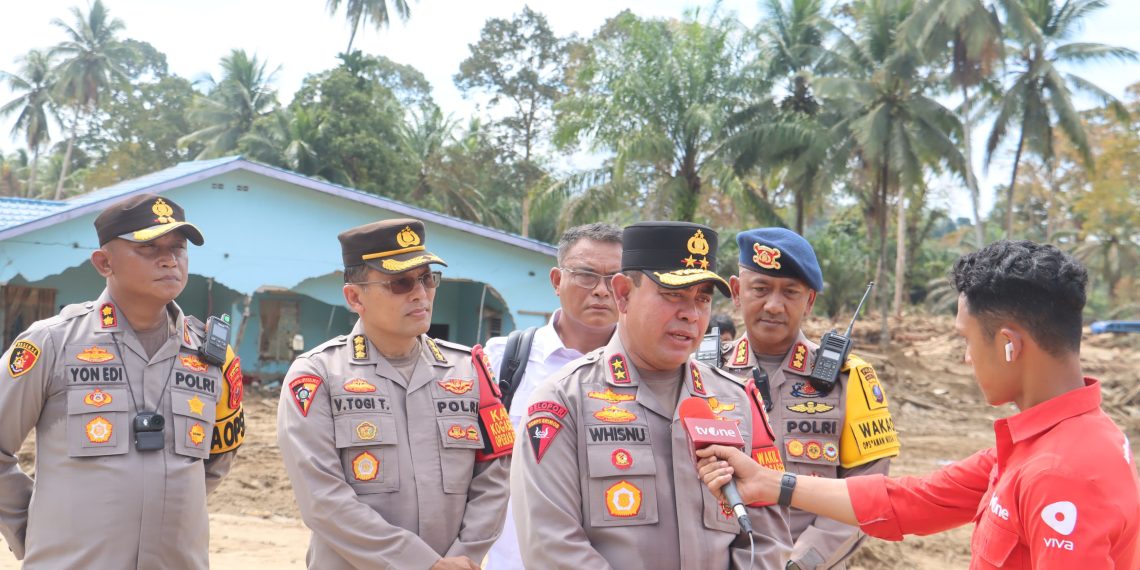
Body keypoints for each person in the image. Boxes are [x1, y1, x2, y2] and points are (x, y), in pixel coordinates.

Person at [698, 240, 1140, 568]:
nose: (967, 358)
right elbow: (914, 500)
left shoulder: (1062, 471)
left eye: (966, 341)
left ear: (1008, 345)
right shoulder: (1038, 446)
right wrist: (772, 484)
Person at [512, 221, 792, 569]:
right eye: (673, 294)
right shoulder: (562, 401)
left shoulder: (738, 402)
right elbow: (552, 546)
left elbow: (769, 537)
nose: (690, 313)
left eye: (702, 298)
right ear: (624, 294)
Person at [0, 193, 244, 567]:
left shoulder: (212, 354)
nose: (169, 259)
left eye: (178, 248)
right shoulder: (51, 342)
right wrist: (28, 530)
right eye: (148, 248)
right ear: (104, 262)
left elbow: (216, 459)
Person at [277, 218, 512, 570]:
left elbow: (494, 477)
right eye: (400, 282)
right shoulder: (318, 375)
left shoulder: (469, 369)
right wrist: (422, 564)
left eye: (428, 278)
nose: (420, 293)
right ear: (355, 296)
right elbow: (322, 499)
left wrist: (464, 557)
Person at [719, 228, 897, 569]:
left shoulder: (849, 379)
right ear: (737, 292)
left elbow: (867, 492)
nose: (773, 305)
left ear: (810, 301)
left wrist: (800, 562)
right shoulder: (699, 373)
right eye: (760, 289)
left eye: (790, 292)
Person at [483, 222, 622, 570]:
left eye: (614, 279)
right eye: (586, 275)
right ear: (557, 281)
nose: (602, 291)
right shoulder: (503, 359)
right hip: (516, 560)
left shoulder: (648, 370)